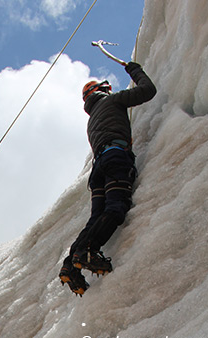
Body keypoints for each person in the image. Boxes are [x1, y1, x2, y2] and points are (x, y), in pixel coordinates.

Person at [59, 61, 157, 296]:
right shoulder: (112, 101)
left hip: (99, 168)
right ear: (103, 90)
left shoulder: (91, 120)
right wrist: (134, 70)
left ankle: (70, 265)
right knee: (116, 207)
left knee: (96, 218)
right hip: (116, 158)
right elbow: (148, 91)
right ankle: (87, 252)